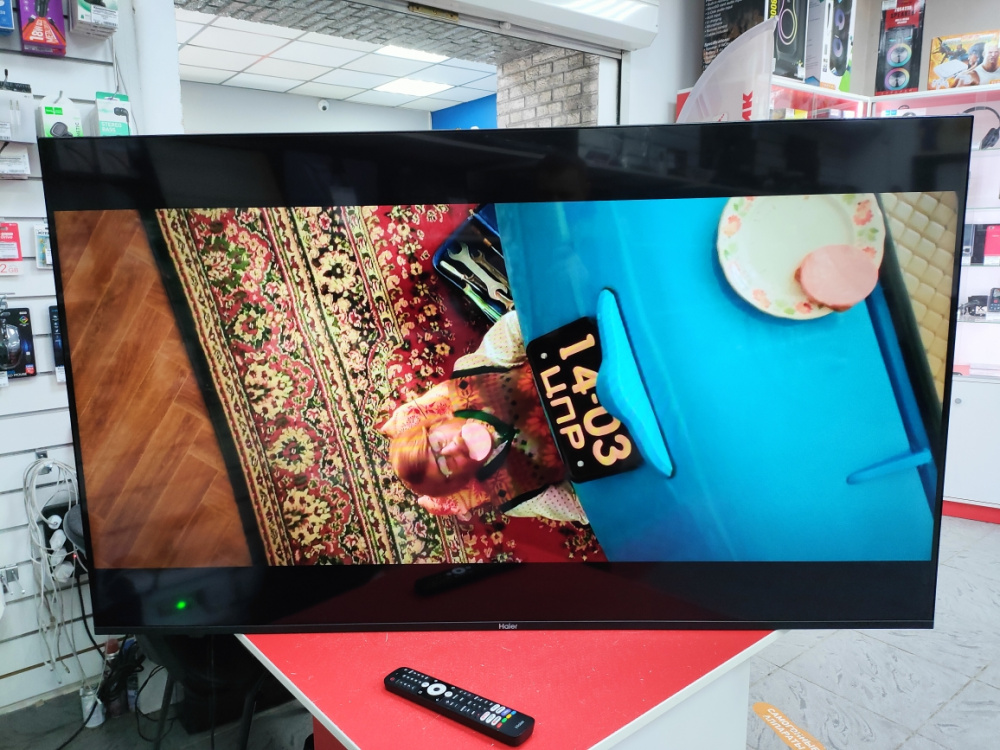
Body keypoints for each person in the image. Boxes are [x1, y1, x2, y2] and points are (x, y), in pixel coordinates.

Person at [381, 311, 588, 524]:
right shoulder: (512, 497)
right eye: (444, 467)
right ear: (459, 482)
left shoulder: (470, 374)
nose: (452, 448)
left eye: (437, 444)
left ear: (437, 423)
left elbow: (520, 323)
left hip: (584, 347)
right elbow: (586, 507)